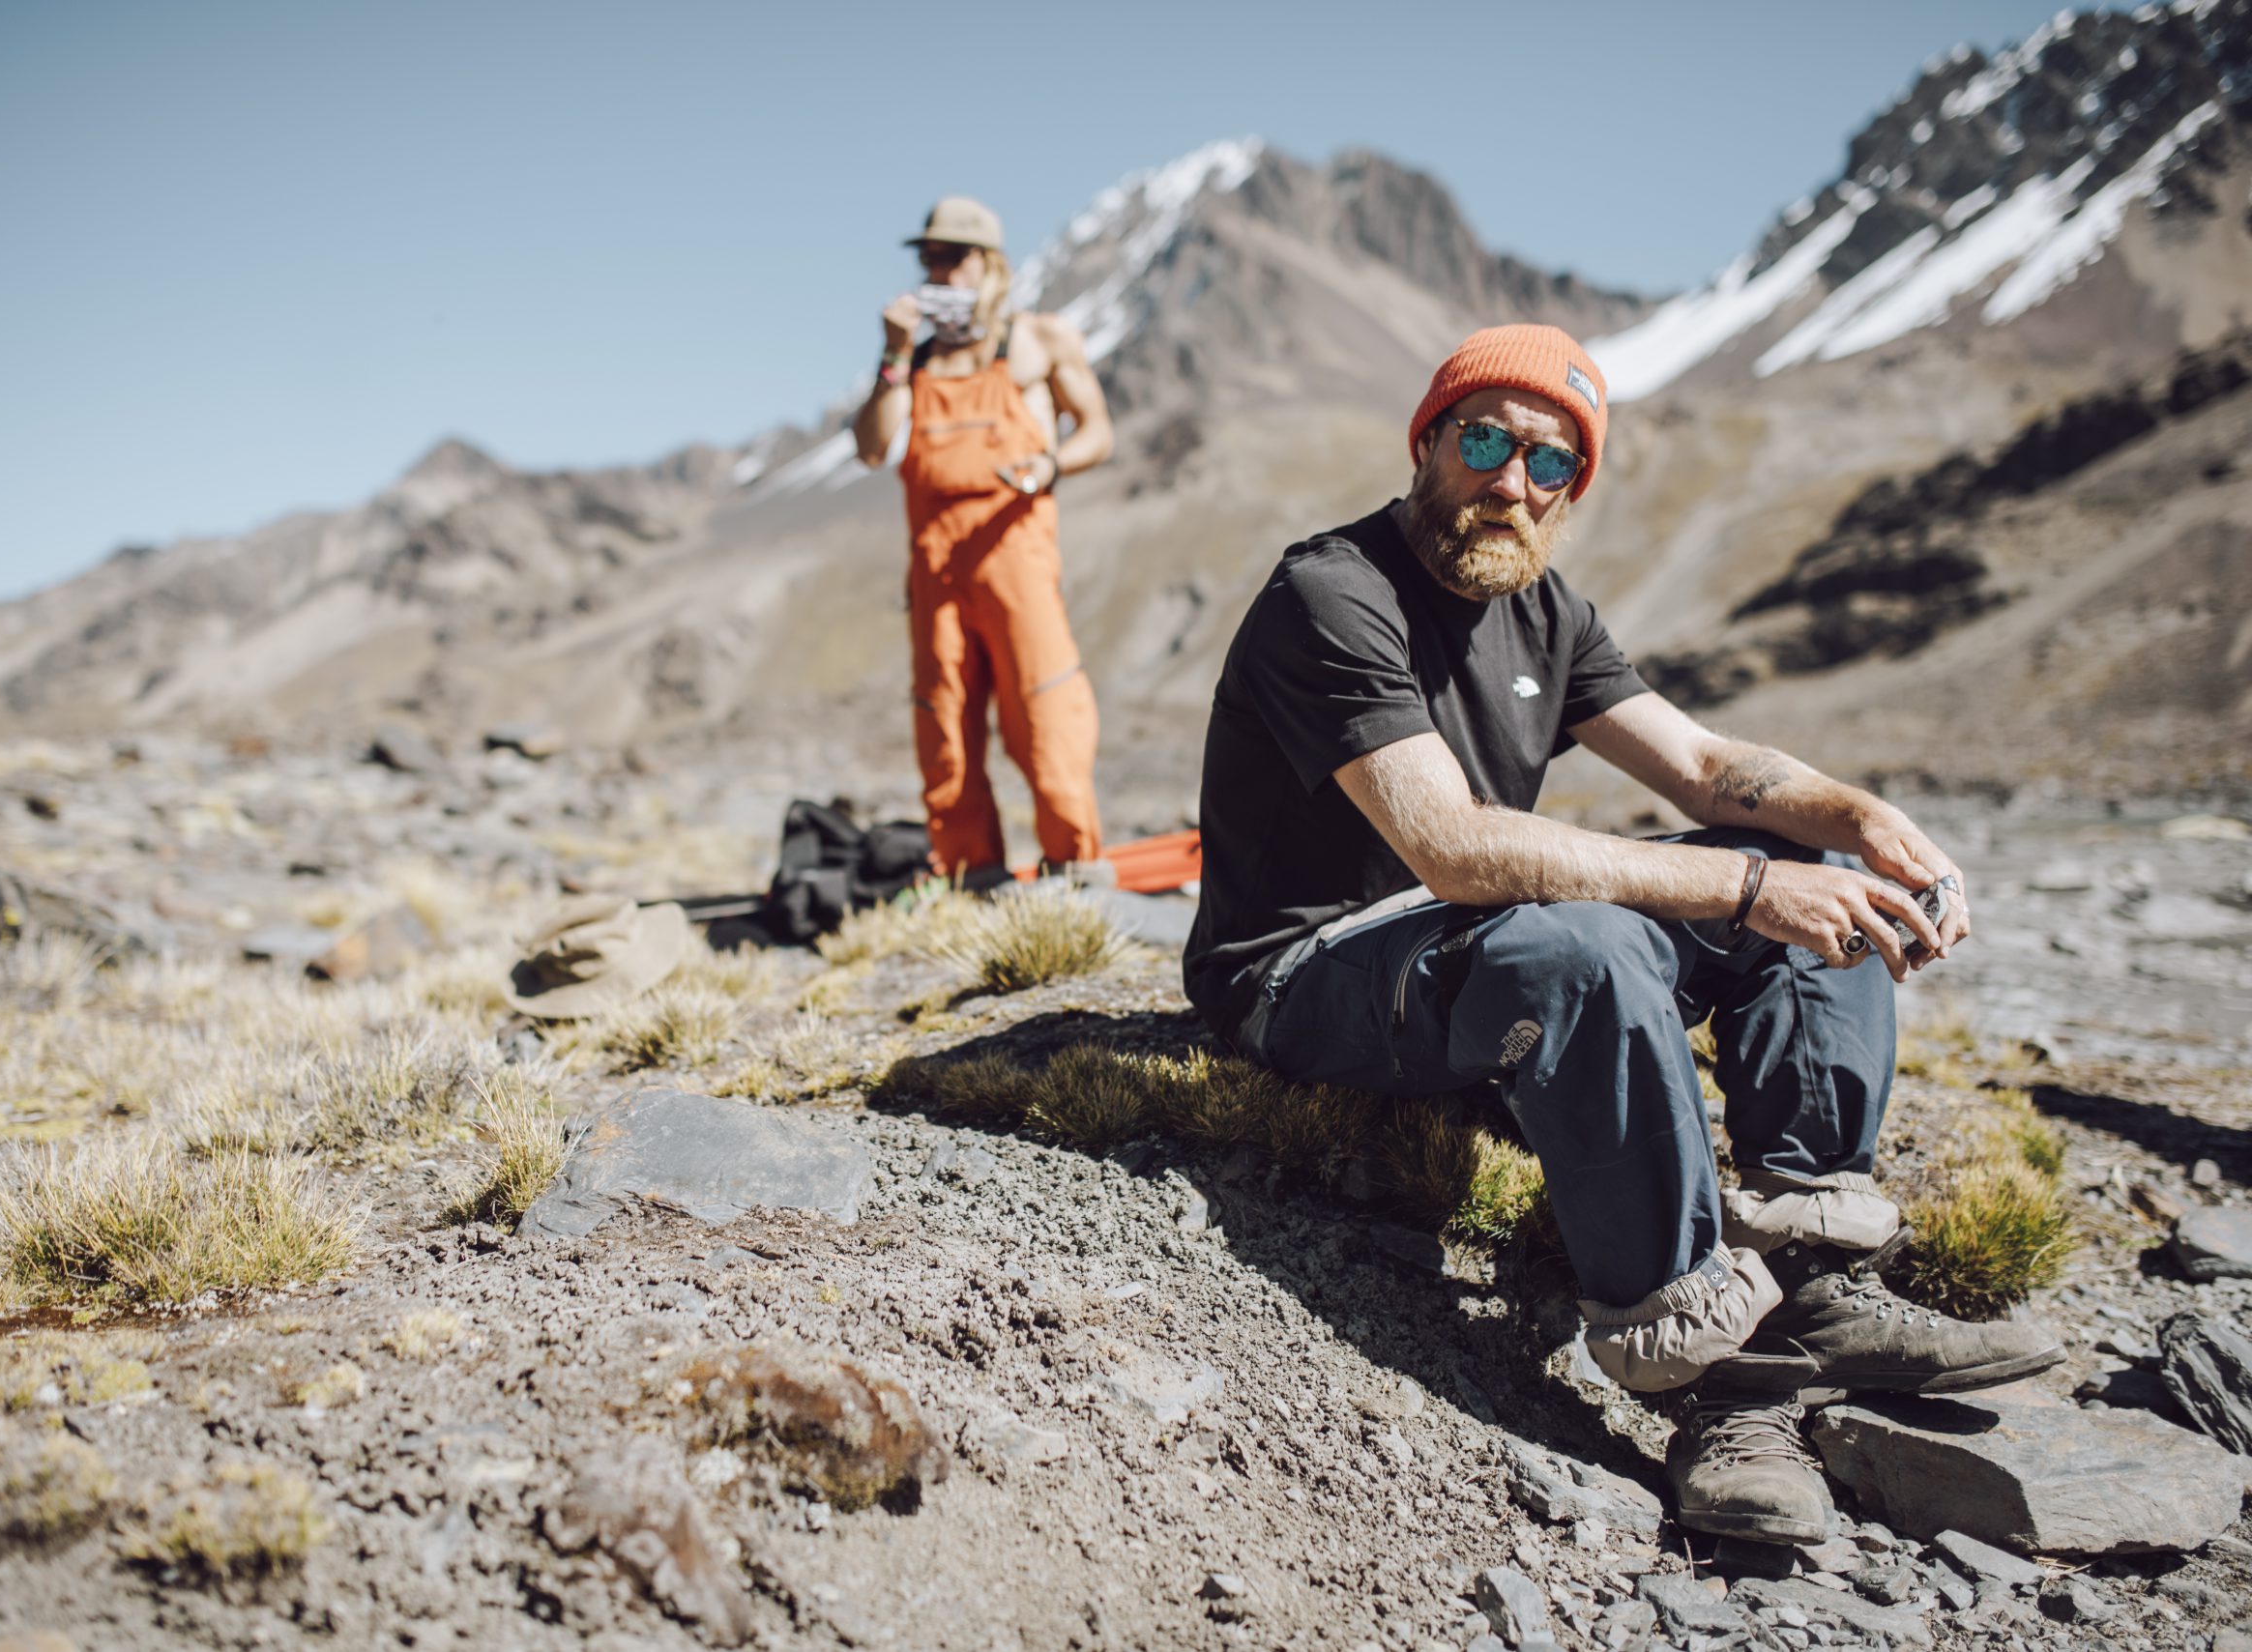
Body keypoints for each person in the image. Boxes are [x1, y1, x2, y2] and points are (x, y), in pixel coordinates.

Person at [1181, 323, 2063, 1545]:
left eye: (1549, 464)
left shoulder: (1546, 608)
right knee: (1595, 943)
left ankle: (1811, 1271)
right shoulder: (1331, 591)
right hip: (1308, 969)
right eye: (1484, 439)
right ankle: (1707, 1382)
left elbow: (1705, 766)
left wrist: (1859, 820)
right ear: (1427, 441)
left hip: (1468, 936)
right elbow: (1448, 844)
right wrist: (1740, 888)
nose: (1510, 481)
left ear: (1570, 490)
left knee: (1809, 882)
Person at [853, 195, 1115, 880]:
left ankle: (1075, 874)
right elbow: (873, 447)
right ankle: (974, 879)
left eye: (953, 257)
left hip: (1017, 563)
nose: (938, 271)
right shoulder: (913, 359)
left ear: (989, 263)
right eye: (929, 258)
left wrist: (1052, 463)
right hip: (936, 575)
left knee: (1047, 713)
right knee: (944, 727)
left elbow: (1098, 431)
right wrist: (891, 353)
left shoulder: (1037, 341)